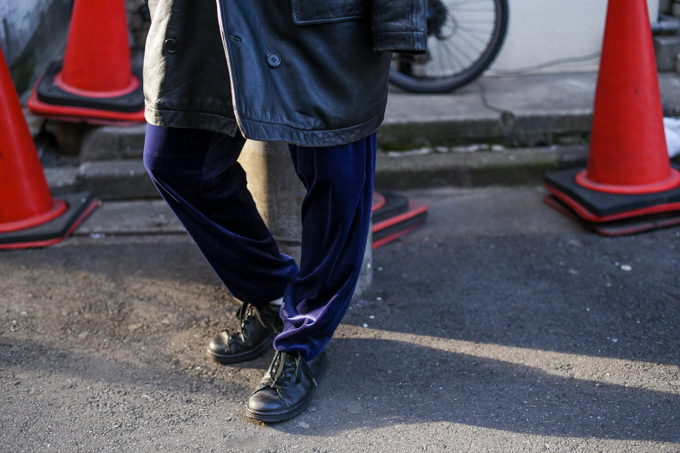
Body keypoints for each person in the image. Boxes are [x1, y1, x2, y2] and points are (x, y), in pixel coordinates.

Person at [142, 0, 426, 423]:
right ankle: (273, 292)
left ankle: (305, 341)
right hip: (200, 19)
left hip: (324, 25)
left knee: (337, 181)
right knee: (175, 161)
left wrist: (399, 25)